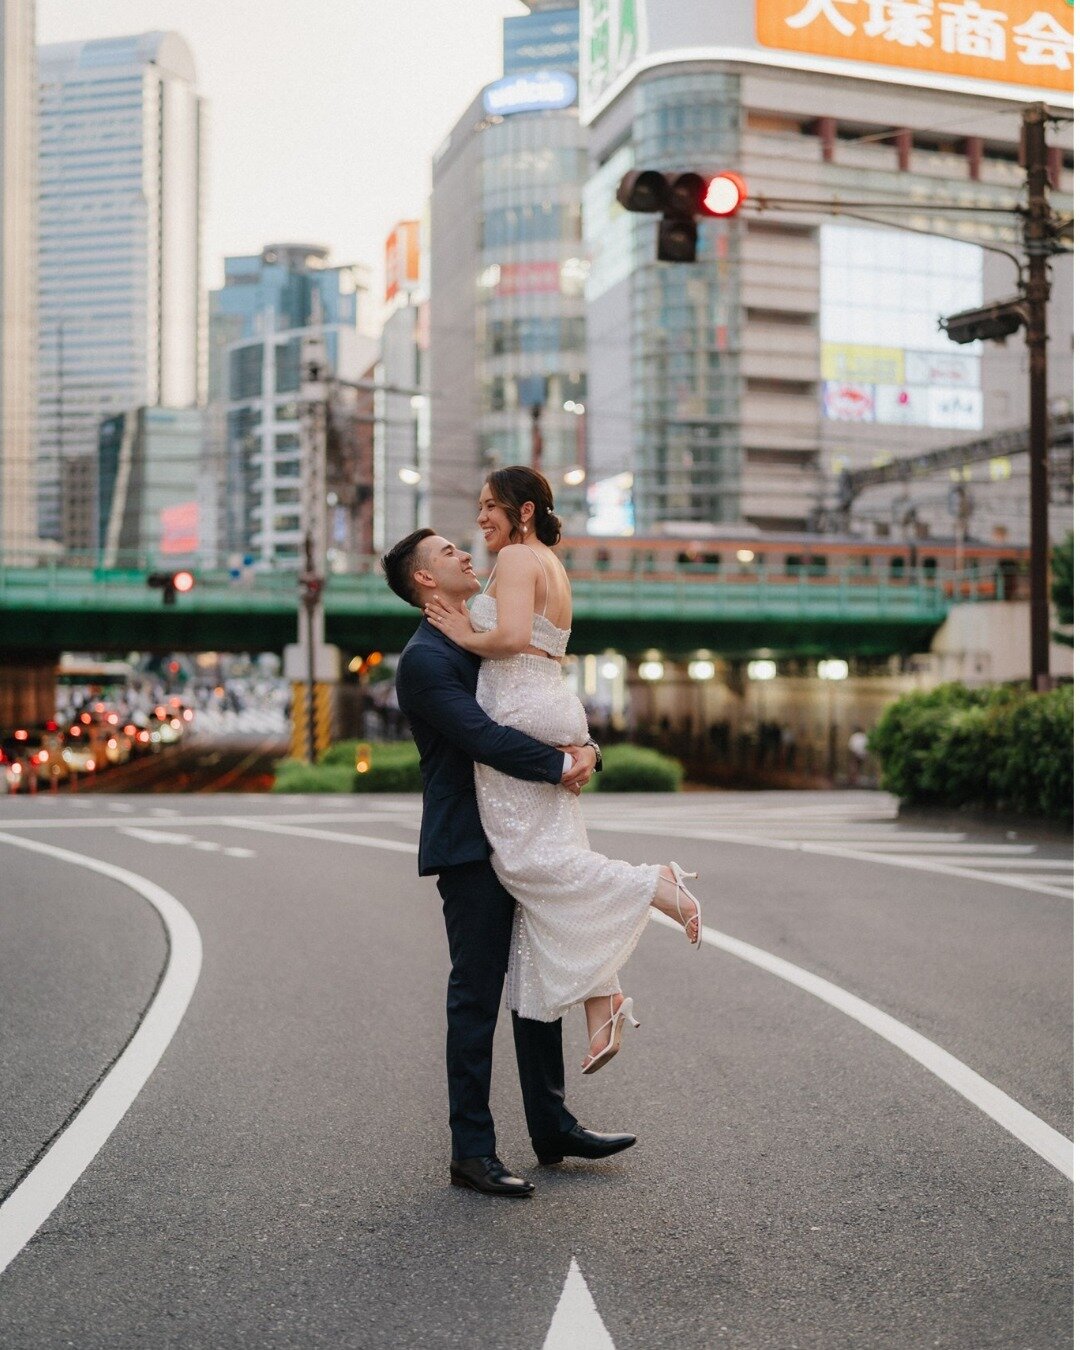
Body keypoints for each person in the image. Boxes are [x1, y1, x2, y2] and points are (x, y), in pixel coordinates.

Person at [422, 466, 704, 1076]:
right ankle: (603, 1005)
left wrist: (463, 633)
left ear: (523, 512)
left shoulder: (521, 560)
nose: (480, 519)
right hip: (545, 700)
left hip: (521, 708)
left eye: (490, 506)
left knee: (528, 864)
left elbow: (515, 636)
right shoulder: (549, 561)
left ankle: (656, 884)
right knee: (552, 867)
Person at [382, 529, 638, 1199]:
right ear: (424, 583)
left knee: (541, 979)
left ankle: (552, 1127)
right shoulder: (426, 660)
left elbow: (539, 700)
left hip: (529, 832)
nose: (466, 555)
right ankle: (472, 1150)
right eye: (446, 555)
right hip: (473, 845)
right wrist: (562, 766)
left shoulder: (490, 631)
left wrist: (586, 749)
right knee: (476, 997)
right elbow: (484, 737)